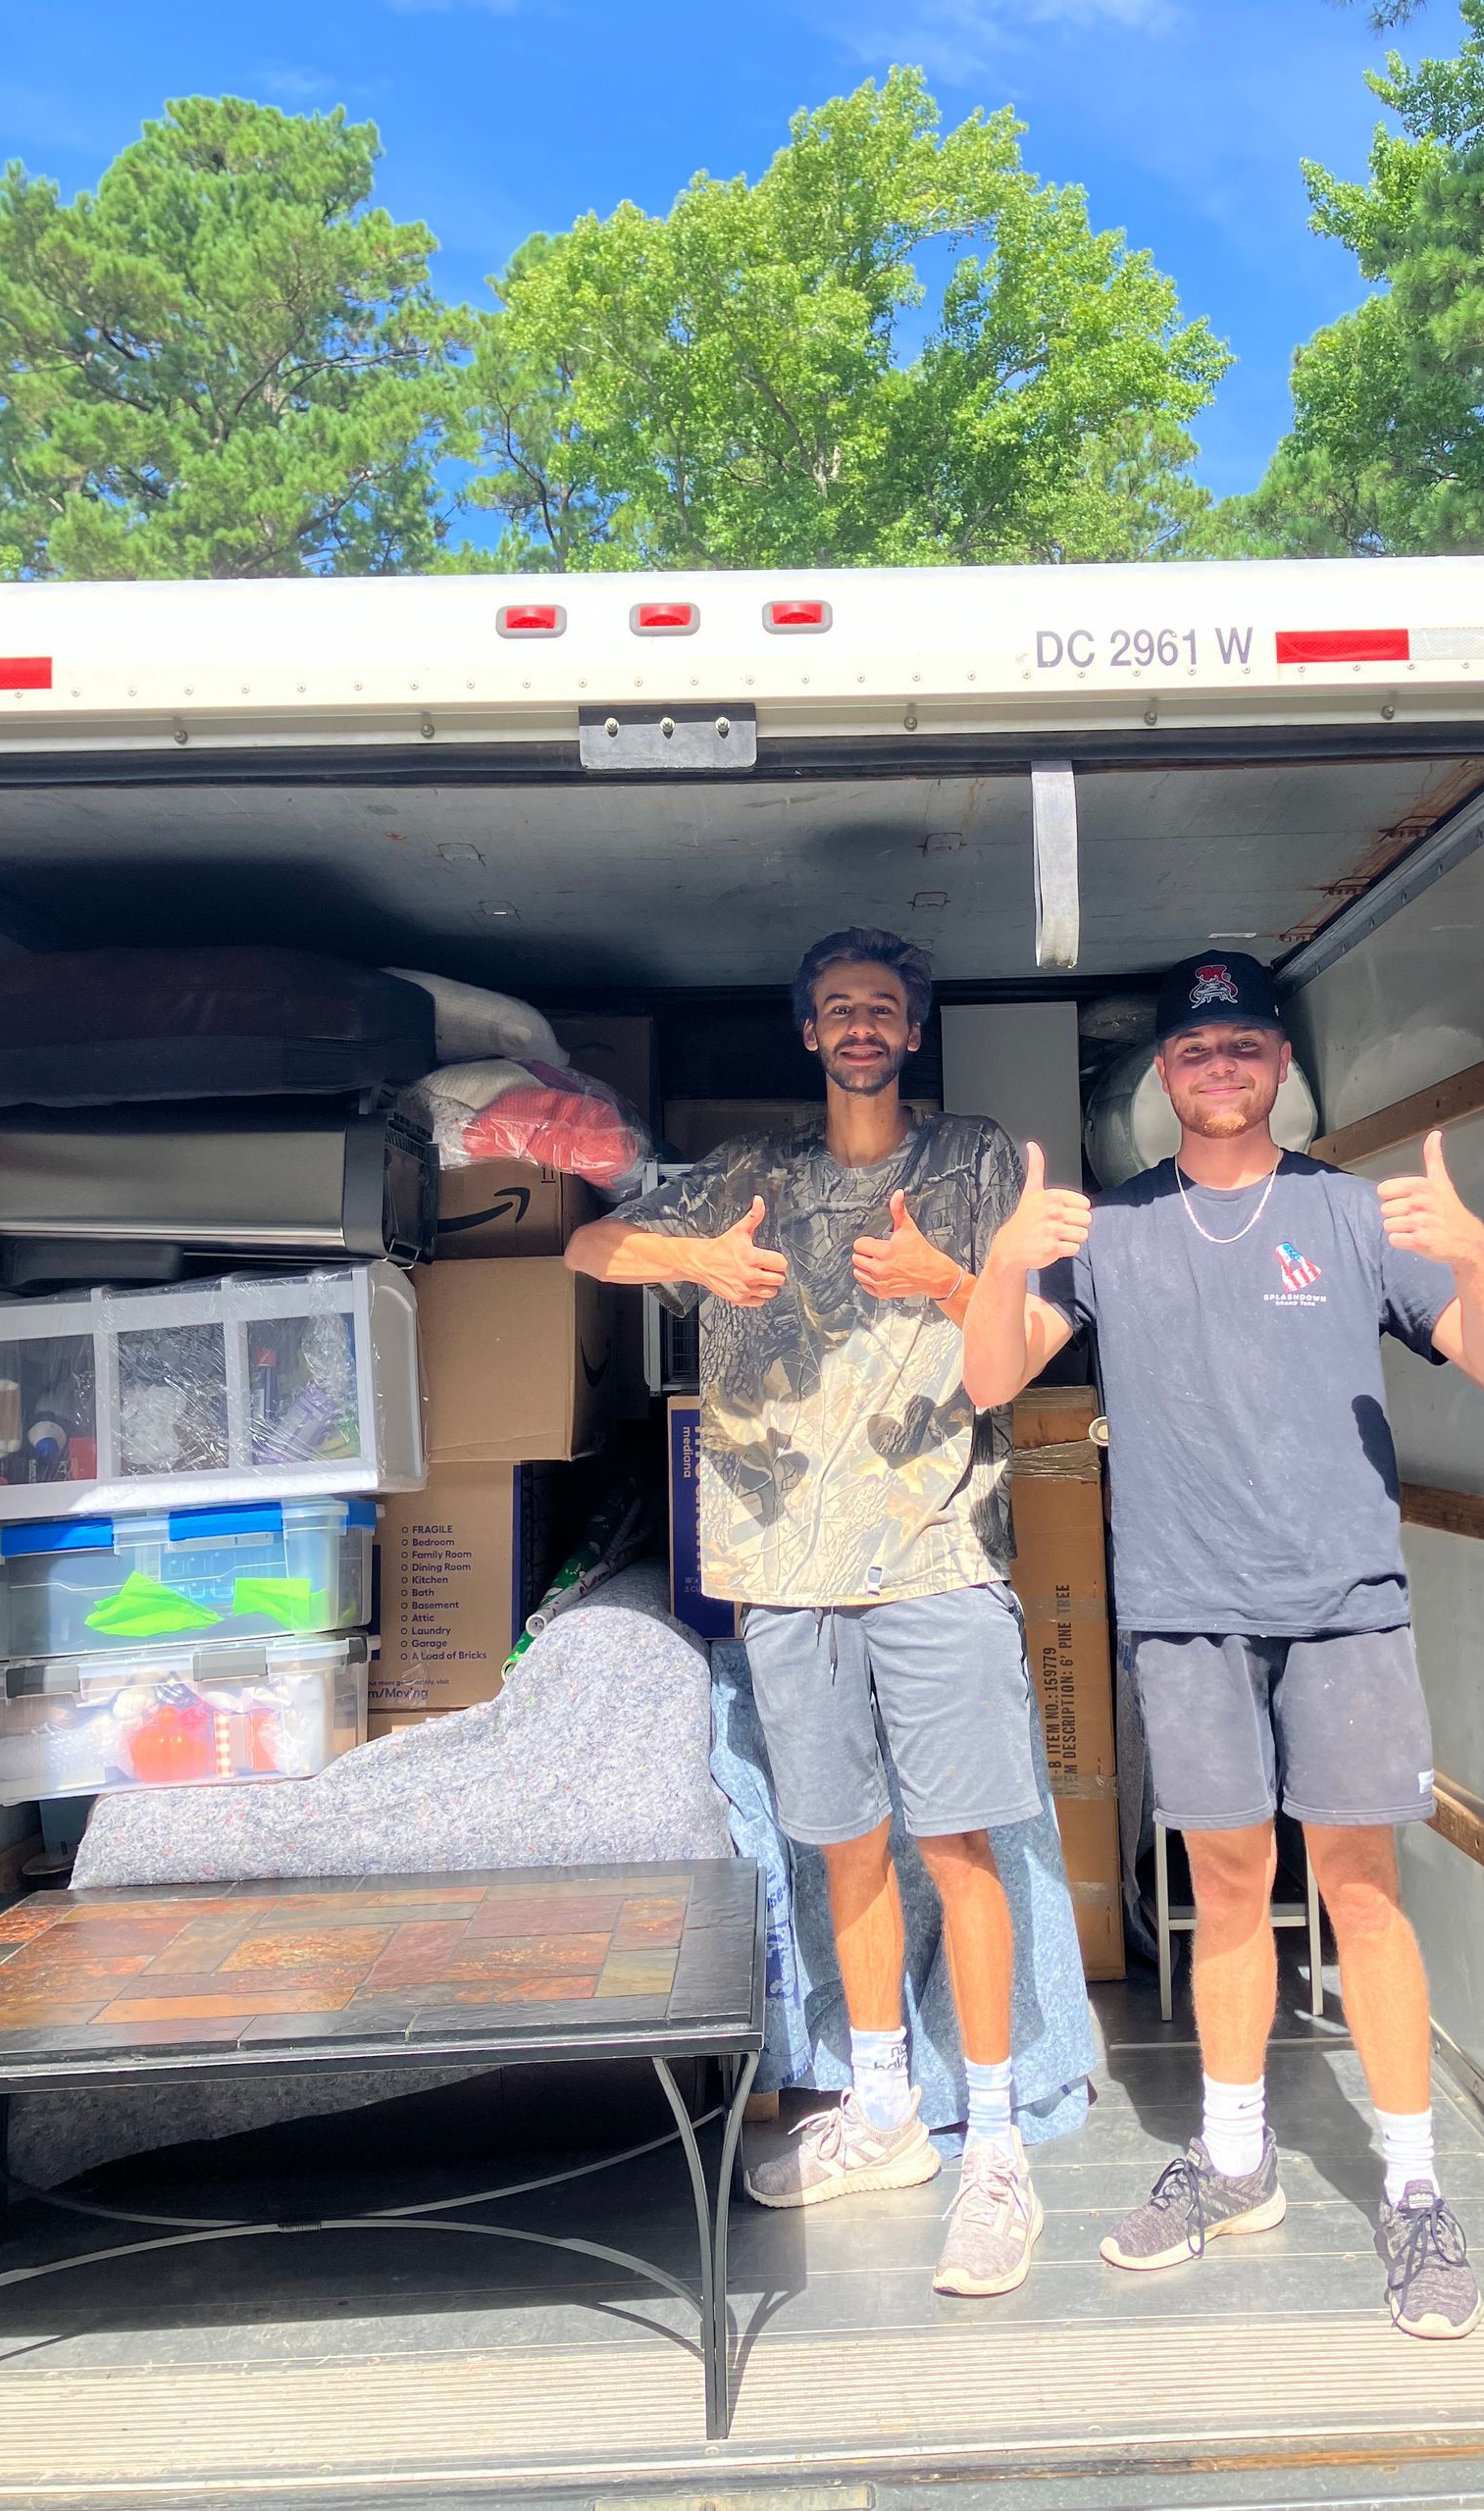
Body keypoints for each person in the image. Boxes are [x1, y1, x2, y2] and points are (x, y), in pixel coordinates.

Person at [961, 947, 1484, 2340]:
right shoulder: (1111, 1231)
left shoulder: (1353, 1216)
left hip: (1341, 1600)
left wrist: (1474, 1251)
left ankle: (1411, 2194)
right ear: (1165, 1075)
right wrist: (996, 1263)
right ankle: (1236, 2164)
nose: (1219, 1068)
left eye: (1244, 1045)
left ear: (1279, 1062)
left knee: (1359, 1888)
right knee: (1227, 1885)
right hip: (1185, 1607)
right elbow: (987, 1377)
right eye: (1194, 1050)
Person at [565, 927, 1049, 2297]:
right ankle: (884, 2112)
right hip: (783, 1566)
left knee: (962, 1847)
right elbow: (588, 1247)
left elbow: (1024, 1335)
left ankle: (998, 2149)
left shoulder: (974, 1163)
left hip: (936, 1554)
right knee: (845, 1845)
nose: (858, 1026)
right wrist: (700, 1264)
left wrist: (952, 1284)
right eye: (836, 1008)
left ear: (912, 1031)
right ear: (808, 1032)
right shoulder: (746, 1179)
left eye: (881, 1008)